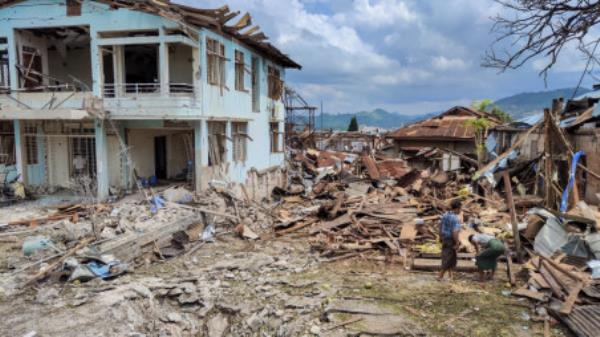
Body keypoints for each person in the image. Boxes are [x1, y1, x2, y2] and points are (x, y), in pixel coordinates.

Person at [438, 199, 462, 281]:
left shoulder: (445, 215)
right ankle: (440, 276)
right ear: (457, 208)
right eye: (460, 209)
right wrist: (457, 242)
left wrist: (440, 236)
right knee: (448, 258)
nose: (460, 210)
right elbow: (455, 232)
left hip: (445, 238)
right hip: (451, 240)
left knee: (451, 258)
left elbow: (440, 226)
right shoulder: (455, 218)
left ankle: (450, 275)